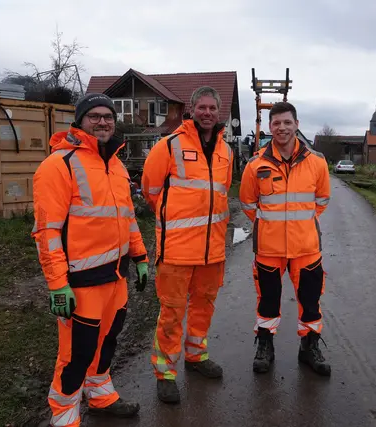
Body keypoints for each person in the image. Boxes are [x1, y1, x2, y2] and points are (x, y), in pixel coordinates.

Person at [31, 93, 150, 426]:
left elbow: (127, 218)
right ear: (80, 121)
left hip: (116, 276)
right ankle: (64, 417)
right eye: (94, 116)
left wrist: (140, 256)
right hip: (80, 282)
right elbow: (47, 231)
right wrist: (57, 284)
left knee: (107, 341)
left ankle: (101, 396)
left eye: (108, 116)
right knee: (76, 353)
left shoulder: (116, 165)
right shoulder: (59, 165)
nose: (102, 122)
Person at [141, 86, 234, 403]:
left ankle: (196, 356)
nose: (207, 113)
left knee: (203, 307)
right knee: (171, 313)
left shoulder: (226, 152)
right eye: (202, 107)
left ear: (219, 112)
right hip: (177, 251)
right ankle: (165, 373)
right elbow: (151, 191)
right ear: (191, 110)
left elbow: (222, 193)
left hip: (213, 251)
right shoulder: (169, 146)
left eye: (212, 108)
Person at [239, 101, 331, 376]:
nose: (282, 127)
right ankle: (265, 346)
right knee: (267, 301)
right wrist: (270, 226)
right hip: (269, 249)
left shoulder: (317, 162)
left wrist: (300, 225)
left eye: (287, 122)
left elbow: (322, 200)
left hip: (307, 248)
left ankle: (309, 347)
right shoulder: (255, 165)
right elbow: (247, 204)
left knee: (311, 301)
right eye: (277, 123)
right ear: (270, 126)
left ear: (296, 125)